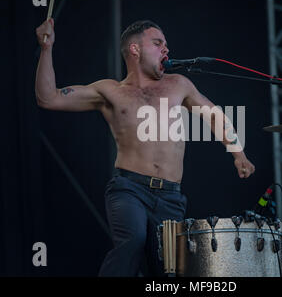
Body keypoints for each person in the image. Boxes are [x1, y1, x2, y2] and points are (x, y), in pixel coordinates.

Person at [35, 19, 255, 276]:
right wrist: (46, 48)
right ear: (134, 49)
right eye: (157, 43)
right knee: (133, 240)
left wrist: (238, 153)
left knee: (166, 269)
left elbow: (214, 115)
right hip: (129, 189)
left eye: (166, 45)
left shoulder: (178, 84)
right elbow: (48, 97)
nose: (166, 50)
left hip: (171, 197)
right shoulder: (111, 90)